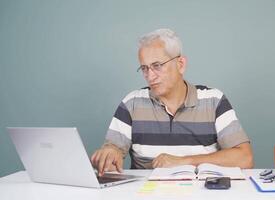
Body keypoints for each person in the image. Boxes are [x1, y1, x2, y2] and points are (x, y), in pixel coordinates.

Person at [91, 28, 253, 176]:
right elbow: (113, 149)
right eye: (145, 68)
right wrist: (109, 154)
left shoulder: (213, 100)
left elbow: (244, 158)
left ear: (180, 64)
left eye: (157, 66)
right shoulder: (132, 103)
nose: (150, 76)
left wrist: (183, 161)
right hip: (146, 194)